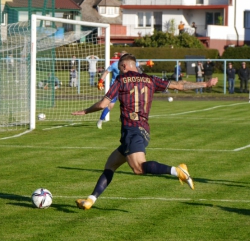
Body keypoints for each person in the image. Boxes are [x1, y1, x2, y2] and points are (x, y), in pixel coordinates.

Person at [72, 53, 218, 210]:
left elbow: (102, 105)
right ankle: (90, 200)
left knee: (139, 168)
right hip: (143, 130)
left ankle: (177, 170)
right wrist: (205, 84)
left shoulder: (121, 80)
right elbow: (180, 85)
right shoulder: (151, 79)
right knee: (110, 165)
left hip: (131, 129)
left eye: (120, 68)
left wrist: (86, 111)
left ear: (124, 66)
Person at [96, 51, 149, 129]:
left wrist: (147, 62)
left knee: (131, 104)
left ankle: (129, 120)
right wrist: (101, 81)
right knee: (110, 106)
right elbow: (106, 72)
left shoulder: (130, 63)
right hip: (116, 87)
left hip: (127, 87)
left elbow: (139, 63)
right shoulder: (115, 65)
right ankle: (100, 121)